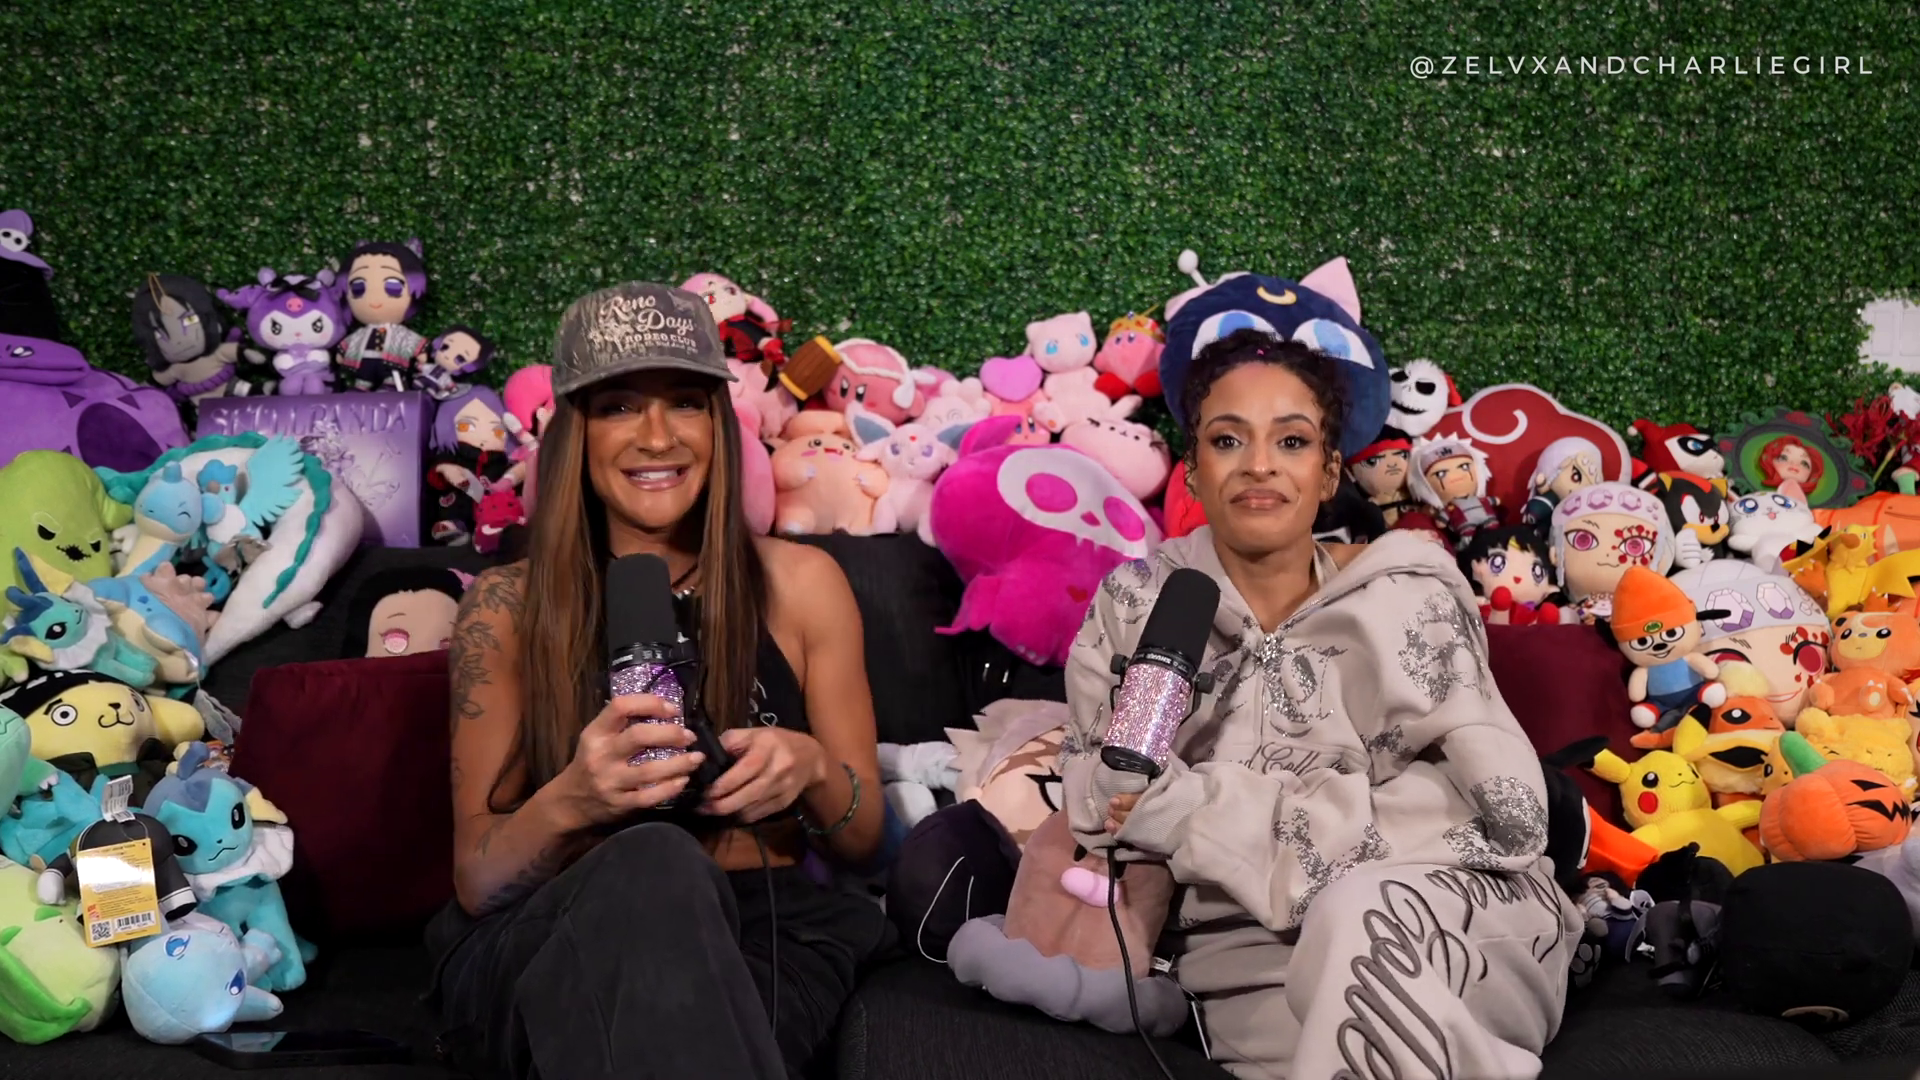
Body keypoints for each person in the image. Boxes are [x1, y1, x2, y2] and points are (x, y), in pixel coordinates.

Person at [1062, 328, 1581, 1080]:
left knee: (1355, 915)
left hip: (1453, 923)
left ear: (1331, 471)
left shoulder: (1411, 595)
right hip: (1246, 965)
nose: (1260, 464)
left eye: (1293, 441)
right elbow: (1100, 799)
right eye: (1228, 440)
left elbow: (1505, 811)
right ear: (1193, 471)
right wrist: (1158, 806)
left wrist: (1205, 816)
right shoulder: (1137, 603)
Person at [426, 282, 892, 1080]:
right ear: (575, 433)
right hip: (558, 931)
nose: (655, 437)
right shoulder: (505, 608)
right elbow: (478, 878)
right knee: (654, 862)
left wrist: (811, 766)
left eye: (684, 403)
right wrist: (576, 799)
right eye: (618, 407)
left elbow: (863, 840)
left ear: (718, 426)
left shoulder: (802, 584)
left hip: (764, 934)